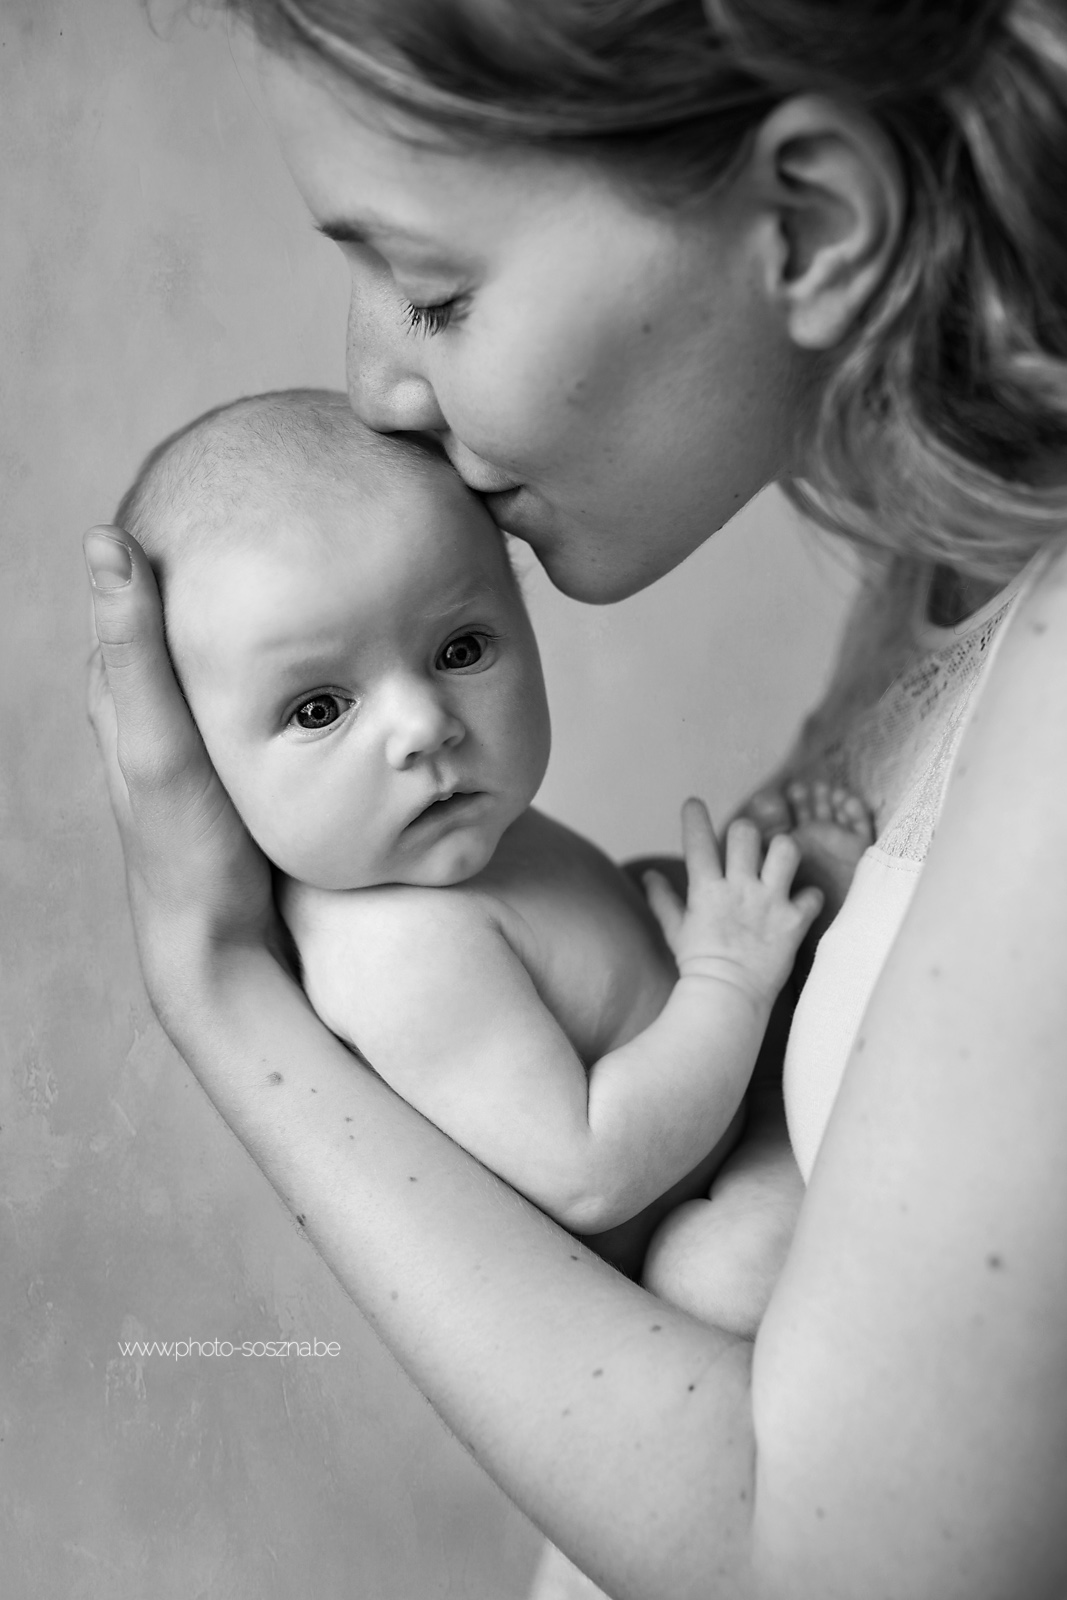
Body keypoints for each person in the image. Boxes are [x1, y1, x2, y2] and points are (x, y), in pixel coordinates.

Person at [82, 2, 1067, 1597]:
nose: (375, 388)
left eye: (431, 288)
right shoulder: (940, 555)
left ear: (810, 222)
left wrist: (220, 993)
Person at [114, 383, 853, 1289]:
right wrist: (728, 979)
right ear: (199, 757)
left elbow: (585, 971)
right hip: (680, 1226)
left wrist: (674, 919)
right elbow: (591, 1170)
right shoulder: (396, 951)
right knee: (727, 1268)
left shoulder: (443, 832)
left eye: (459, 650)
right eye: (318, 707)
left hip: (723, 1126)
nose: (423, 724)